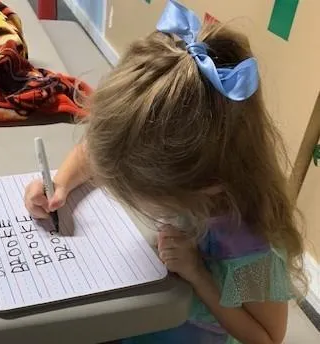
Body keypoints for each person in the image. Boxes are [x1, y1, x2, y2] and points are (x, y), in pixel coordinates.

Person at [24, 1, 306, 343]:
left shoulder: (248, 244)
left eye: (141, 196)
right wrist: (60, 184)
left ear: (205, 187)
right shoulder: (180, 165)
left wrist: (198, 275)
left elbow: (267, 337)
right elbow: (99, 152)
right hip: (144, 315)